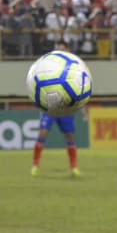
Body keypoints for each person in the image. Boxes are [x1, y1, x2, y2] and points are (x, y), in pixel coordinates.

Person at [31, 43, 86, 177]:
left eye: (62, 50)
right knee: (43, 133)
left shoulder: (74, 69)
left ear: (67, 51)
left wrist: (84, 108)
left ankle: (74, 168)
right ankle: (35, 166)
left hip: (66, 108)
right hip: (50, 106)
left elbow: (82, 89)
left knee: (69, 136)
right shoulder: (47, 68)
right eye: (58, 50)